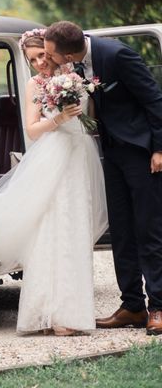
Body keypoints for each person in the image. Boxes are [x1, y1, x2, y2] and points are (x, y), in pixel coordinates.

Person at [44, 21, 162, 335]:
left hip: (141, 152)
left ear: (67, 52)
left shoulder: (118, 55)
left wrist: (159, 150)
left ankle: (158, 307)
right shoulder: (73, 66)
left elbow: (154, 101)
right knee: (121, 230)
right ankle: (132, 306)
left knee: (149, 229)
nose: (50, 60)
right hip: (110, 152)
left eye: (52, 55)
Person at [0, 28, 108, 336]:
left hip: (79, 154)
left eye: (43, 54)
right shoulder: (34, 85)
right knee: (52, 231)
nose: (41, 63)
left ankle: (73, 313)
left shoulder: (75, 75)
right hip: (53, 155)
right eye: (33, 59)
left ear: (51, 50)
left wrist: (79, 110)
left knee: (76, 230)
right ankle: (47, 314)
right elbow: (32, 129)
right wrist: (59, 118)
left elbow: (92, 112)